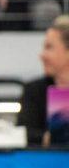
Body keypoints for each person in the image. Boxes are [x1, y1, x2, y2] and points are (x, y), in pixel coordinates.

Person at [20, 16, 69, 145]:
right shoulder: (34, 90)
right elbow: (25, 133)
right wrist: (53, 139)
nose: (42, 55)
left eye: (49, 47)